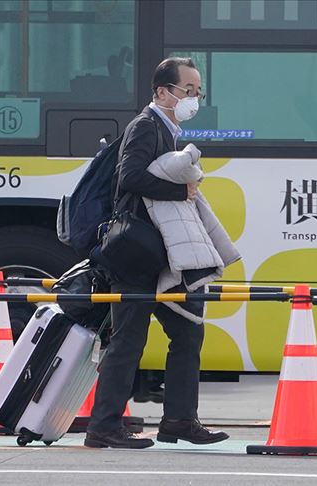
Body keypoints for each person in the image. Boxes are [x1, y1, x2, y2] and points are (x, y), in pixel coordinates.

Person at [85, 58, 229, 449]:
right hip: (136, 253)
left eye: (198, 91)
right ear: (163, 91)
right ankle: (103, 426)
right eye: (188, 90)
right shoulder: (146, 126)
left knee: (187, 332)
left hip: (157, 254)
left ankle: (180, 420)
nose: (193, 98)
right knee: (129, 338)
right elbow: (129, 177)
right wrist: (180, 191)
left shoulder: (167, 130)